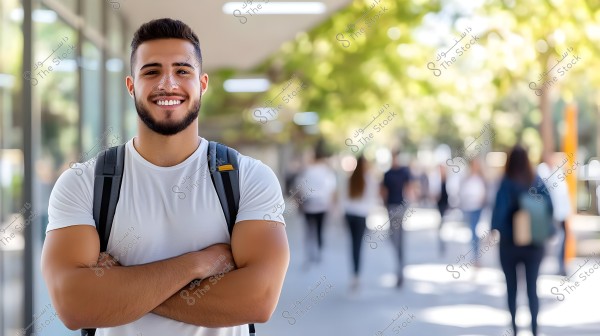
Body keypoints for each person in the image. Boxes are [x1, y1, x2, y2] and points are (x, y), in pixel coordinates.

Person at [41, 18, 289, 335]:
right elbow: (74, 306)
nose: (167, 83)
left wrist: (120, 287)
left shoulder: (248, 179)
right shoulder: (83, 183)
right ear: (131, 85)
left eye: (182, 70)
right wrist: (195, 265)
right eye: (152, 71)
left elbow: (258, 300)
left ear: (202, 83)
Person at [491, 145, 553, 336]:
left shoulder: (506, 183)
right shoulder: (536, 180)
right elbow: (549, 209)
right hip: (534, 245)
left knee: (512, 289)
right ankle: (534, 329)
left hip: (510, 245)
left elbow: (498, 216)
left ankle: (516, 329)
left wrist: (497, 230)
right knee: (532, 288)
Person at [296, 144, 337, 267]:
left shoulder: (308, 170)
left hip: (309, 203)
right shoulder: (326, 171)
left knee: (309, 230)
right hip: (322, 204)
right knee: (320, 229)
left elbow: (300, 186)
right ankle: (319, 252)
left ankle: (309, 253)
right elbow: (331, 188)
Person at [344, 155, 378, 292]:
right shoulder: (369, 179)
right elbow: (372, 199)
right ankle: (356, 274)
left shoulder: (350, 178)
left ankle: (354, 274)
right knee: (358, 245)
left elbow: (343, 198)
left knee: (353, 244)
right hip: (361, 215)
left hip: (350, 214)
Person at [380, 151, 413, 288]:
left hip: (400, 207)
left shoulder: (404, 172)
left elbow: (409, 187)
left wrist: (408, 203)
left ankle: (400, 268)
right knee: (392, 236)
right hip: (390, 207)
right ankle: (399, 265)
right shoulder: (387, 174)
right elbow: (383, 191)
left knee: (399, 237)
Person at [537, 153, 571, 276]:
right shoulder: (543, 171)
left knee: (561, 239)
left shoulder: (558, 173)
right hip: (551, 213)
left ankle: (560, 265)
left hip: (561, 213)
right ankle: (540, 263)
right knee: (548, 239)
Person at [458, 159, 487, 267]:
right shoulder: (466, 178)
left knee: (475, 230)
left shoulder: (481, 178)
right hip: (469, 207)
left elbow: (485, 192)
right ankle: (475, 256)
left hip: (478, 207)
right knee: (473, 230)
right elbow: (462, 192)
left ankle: (476, 256)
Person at [435, 164, 450, 256]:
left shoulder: (448, 180)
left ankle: (444, 242)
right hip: (439, 205)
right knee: (441, 223)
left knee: (445, 223)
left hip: (446, 204)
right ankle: (441, 243)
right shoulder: (436, 180)